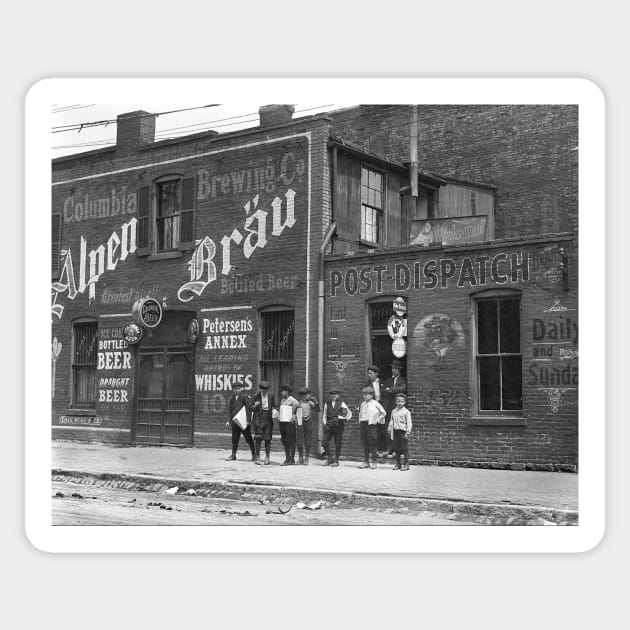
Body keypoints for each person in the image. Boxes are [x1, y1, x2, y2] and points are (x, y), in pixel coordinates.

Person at [224, 380, 256, 462]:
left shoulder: (244, 397)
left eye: (238, 388)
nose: (237, 390)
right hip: (235, 422)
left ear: (241, 389)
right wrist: (229, 421)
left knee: (248, 438)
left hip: (243, 422)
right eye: (235, 389)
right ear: (233, 390)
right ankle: (233, 455)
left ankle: (254, 454)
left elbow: (249, 409)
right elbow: (230, 411)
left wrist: (248, 420)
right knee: (234, 439)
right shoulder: (232, 400)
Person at [321, 387, 352, 466]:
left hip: (338, 426)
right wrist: (325, 423)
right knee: (324, 442)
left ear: (338, 395)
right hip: (329, 425)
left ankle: (336, 460)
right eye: (332, 394)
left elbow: (348, 413)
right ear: (330, 395)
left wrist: (344, 418)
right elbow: (324, 414)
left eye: (336, 394)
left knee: (337, 443)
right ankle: (330, 458)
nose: (334, 395)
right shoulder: (327, 403)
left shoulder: (342, 403)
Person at [383, 359, 407, 457]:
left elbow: (402, 389)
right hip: (389, 407)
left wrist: (391, 390)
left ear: (399, 370)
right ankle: (389, 449)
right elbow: (384, 390)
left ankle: (398, 451)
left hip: (398, 408)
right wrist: (390, 390)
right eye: (393, 368)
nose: (394, 370)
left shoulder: (403, 380)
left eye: (396, 369)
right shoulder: (389, 380)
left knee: (398, 429)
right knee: (389, 428)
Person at [358, 385, 386, 469]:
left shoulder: (375, 403)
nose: (365, 396)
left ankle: (374, 461)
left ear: (372, 395)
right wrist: (360, 422)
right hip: (363, 424)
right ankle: (366, 461)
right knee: (365, 443)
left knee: (372, 443)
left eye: (367, 394)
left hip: (371, 425)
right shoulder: (362, 404)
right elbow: (361, 414)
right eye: (364, 394)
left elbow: (383, 412)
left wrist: (377, 420)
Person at [251, 380, 277, 465]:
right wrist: (255, 405)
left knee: (268, 438)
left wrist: (276, 410)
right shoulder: (256, 396)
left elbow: (274, 405)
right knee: (258, 438)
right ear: (260, 389)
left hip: (268, 418)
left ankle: (267, 457)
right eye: (263, 390)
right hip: (259, 418)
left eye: (266, 390)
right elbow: (250, 408)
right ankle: (257, 456)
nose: (264, 392)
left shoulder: (271, 395)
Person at [366, 364, 388, 456]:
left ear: (376, 374)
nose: (369, 375)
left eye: (371, 373)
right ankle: (375, 450)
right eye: (368, 373)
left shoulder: (383, 382)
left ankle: (383, 449)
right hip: (373, 408)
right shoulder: (367, 384)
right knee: (373, 429)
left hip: (382, 406)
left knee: (383, 428)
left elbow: (386, 395)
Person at [388, 393, 412, 471]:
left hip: (403, 432)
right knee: (397, 448)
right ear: (395, 402)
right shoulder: (393, 411)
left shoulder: (406, 412)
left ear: (405, 402)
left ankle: (406, 464)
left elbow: (409, 422)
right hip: (395, 431)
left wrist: (407, 432)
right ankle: (398, 464)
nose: (400, 403)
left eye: (401, 401)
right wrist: (389, 428)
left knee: (404, 448)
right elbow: (391, 421)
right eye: (398, 401)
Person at [296, 386, 319, 465]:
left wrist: (316, 402)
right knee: (299, 441)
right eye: (308, 394)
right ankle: (300, 458)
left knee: (308, 441)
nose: (309, 396)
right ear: (303, 395)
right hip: (300, 423)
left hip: (308, 423)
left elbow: (317, 410)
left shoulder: (310, 403)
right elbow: (293, 413)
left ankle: (307, 458)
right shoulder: (298, 403)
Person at [278, 384, 299, 466]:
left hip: (290, 423)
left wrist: (294, 414)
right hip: (283, 422)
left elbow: (298, 406)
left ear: (286, 392)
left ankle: (292, 459)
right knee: (285, 440)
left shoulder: (292, 400)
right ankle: (287, 458)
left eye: (282, 391)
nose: (281, 393)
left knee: (291, 440)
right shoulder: (282, 400)